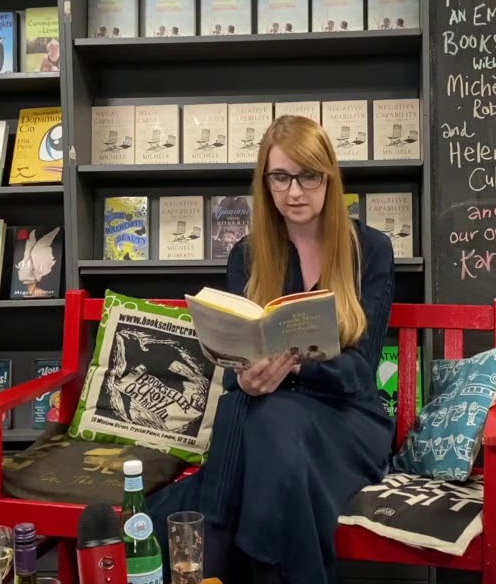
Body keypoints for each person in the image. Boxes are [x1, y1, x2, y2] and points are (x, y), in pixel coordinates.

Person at [149, 115, 396, 584]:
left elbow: (359, 373)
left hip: (347, 419)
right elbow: (232, 359)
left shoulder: (370, 249)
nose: (295, 191)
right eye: (280, 177)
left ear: (328, 177)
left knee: (264, 420)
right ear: (265, 183)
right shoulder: (247, 254)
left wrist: (293, 369)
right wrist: (243, 375)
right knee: (257, 412)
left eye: (308, 176)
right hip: (267, 414)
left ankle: (212, 536)